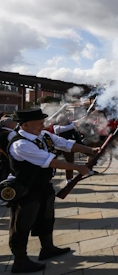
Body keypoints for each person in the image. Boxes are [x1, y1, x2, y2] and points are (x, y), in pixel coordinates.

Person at [6, 109, 96, 273]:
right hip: (26, 189)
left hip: (43, 185)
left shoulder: (43, 136)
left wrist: (91, 151)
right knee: (22, 224)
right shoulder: (21, 143)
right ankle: (20, 261)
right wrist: (78, 167)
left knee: (46, 217)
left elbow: (66, 144)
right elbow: (50, 162)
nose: (43, 125)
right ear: (25, 125)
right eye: (39, 122)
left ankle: (47, 248)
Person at [53, 114, 84, 184]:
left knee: (69, 162)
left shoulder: (70, 127)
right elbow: (57, 130)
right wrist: (74, 123)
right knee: (51, 161)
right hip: (57, 147)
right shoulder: (57, 127)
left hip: (68, 146)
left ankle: (69, 178)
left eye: (63, 121)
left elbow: (76, 137)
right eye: (61, 121)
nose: (63, 122)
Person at [0, 116, 18, 181]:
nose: (16, 123)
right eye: (14, 122)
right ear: (8, 124)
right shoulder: (11, 133)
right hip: (7, 160)